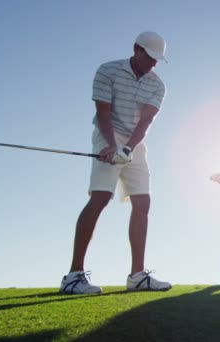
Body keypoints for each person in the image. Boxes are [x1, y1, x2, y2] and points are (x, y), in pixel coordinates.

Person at [59, 31, 171, 294]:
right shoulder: (107, 71)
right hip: (107, 134)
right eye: (150, 56)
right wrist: (111, 145)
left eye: (158, 59)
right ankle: (73, 276)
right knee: (100, 198)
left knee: (143, 202)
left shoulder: (158, 85)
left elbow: (146, 122)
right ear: (136, 49)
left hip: (135, 141)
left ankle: (137, 276)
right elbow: (102, 113)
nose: (153, 63)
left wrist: (129, 148)